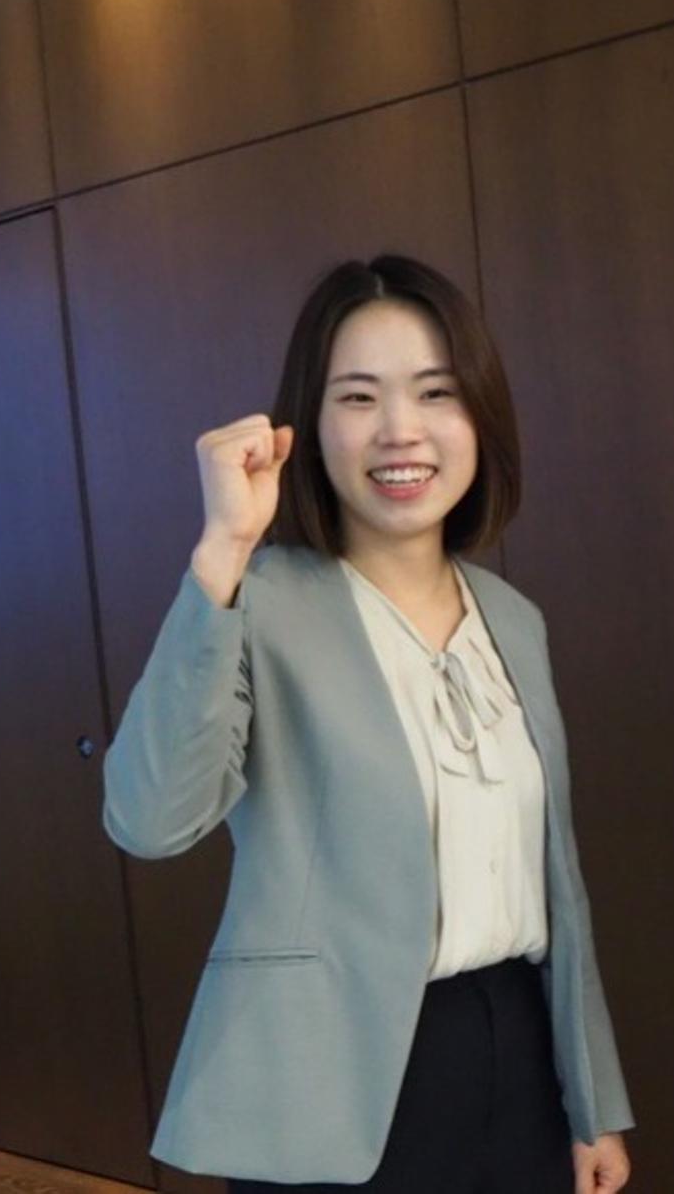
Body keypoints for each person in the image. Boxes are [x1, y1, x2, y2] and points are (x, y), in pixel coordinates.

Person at [104, 255, 633, 1192]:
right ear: (307, 425)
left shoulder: (514, 619)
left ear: (480, 416)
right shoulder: (254, 602)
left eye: (436, 392)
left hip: (516, 1055)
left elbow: (561, 885)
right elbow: (149, 820)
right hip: (327, 1074)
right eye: (358, 397)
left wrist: (595, 1103)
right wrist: (223, 549)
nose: (401, 430)